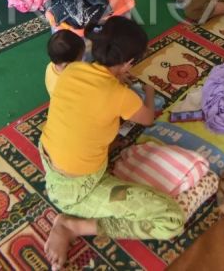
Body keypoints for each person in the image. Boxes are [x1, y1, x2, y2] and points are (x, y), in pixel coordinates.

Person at [41, 16, 185, 269]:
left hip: (49, 157)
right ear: (129, 63)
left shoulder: (72, 69)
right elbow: (148, 118)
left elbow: (95, 91)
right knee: (171, 219)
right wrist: (148, 93)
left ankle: (74, 219)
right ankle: (73, 224)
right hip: (76, 190)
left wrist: (118, 79)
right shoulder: (121, 95)